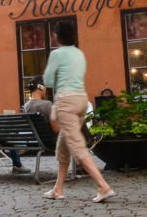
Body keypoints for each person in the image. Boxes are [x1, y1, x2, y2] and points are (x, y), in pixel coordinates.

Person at [42, 22, 115, 203]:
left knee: (76, 145)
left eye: (54, 34)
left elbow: (48, 81)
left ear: (58, 36)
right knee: (64, 145)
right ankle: (57, 189)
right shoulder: (79, 53)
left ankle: (103, 186)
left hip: (66, 101)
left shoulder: (57, 54)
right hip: (82, 100)